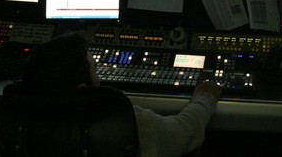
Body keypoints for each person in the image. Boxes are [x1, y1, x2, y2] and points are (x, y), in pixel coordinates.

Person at [21, 32, 221, 157]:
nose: (99, 78)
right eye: (95, 70)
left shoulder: (18, 115)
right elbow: (184, 132)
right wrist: (205, 97)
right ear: (82, 89)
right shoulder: (122, 118)